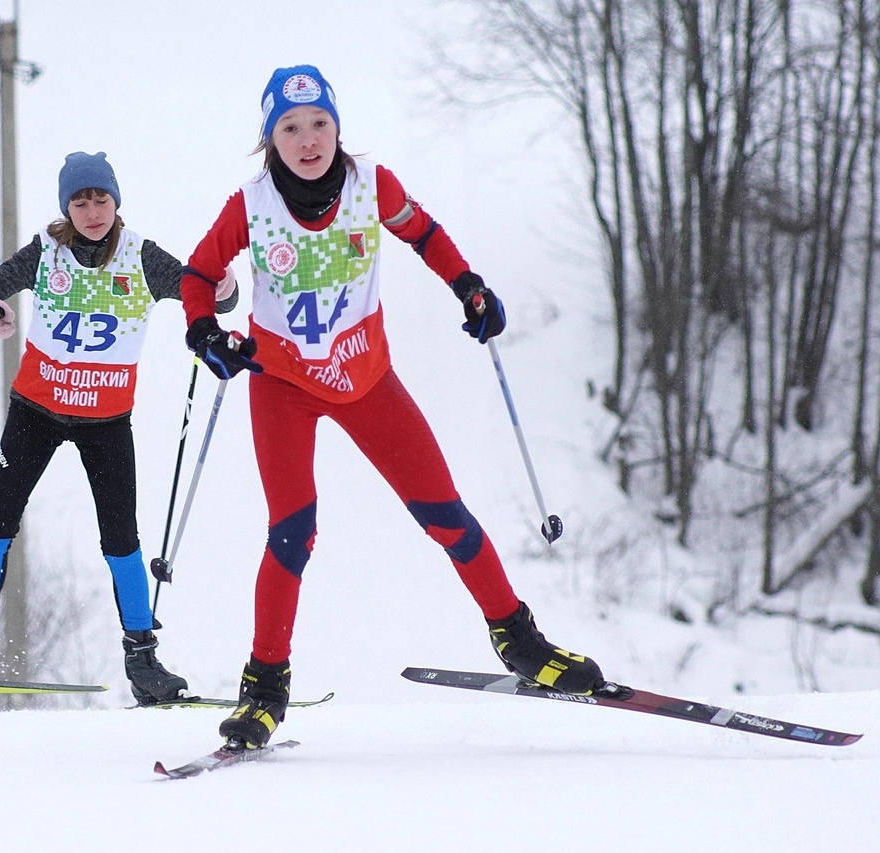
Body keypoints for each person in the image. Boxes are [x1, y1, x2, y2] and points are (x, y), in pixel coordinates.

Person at [179, 65, 606, 748]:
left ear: (337, 126)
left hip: (367, 379)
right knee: (293, 533)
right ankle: (263, 689)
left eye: (319, 123)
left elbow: (424, 232)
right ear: (271, 139)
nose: (308, 139)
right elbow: (198, 276)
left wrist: (468, 284)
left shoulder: (371, 186)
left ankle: (520, 640)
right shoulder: (250, 205)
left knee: (447, 516)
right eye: (290, 128)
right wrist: (205, 332)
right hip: (281, 385)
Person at [0, 151, 238, 705]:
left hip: (106, 422)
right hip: (36, 411)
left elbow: (203, 290)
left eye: (100, 199)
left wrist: (220, 288)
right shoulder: (45, 253)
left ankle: (143, 659)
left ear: (115, 202)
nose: (91, 211)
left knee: (121, 540)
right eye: (80, 202)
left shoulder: (141, 258)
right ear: (67, 208)